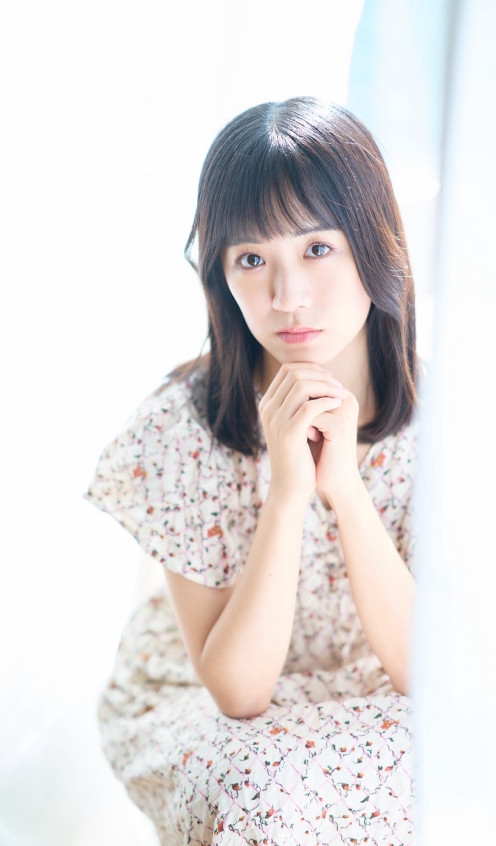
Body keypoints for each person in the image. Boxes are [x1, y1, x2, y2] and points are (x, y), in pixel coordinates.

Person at [86, 96, 419, 845]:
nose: (287, 297)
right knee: (264, 784)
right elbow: (237, 693)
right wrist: (289, 496)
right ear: (221, 275)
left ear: (375, 243)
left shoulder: (450, 421)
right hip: (195, 696)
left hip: (371, 687)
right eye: (252, 259)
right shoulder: (182, 427)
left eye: (317, 248)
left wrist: (346, 491)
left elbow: (425, 673)